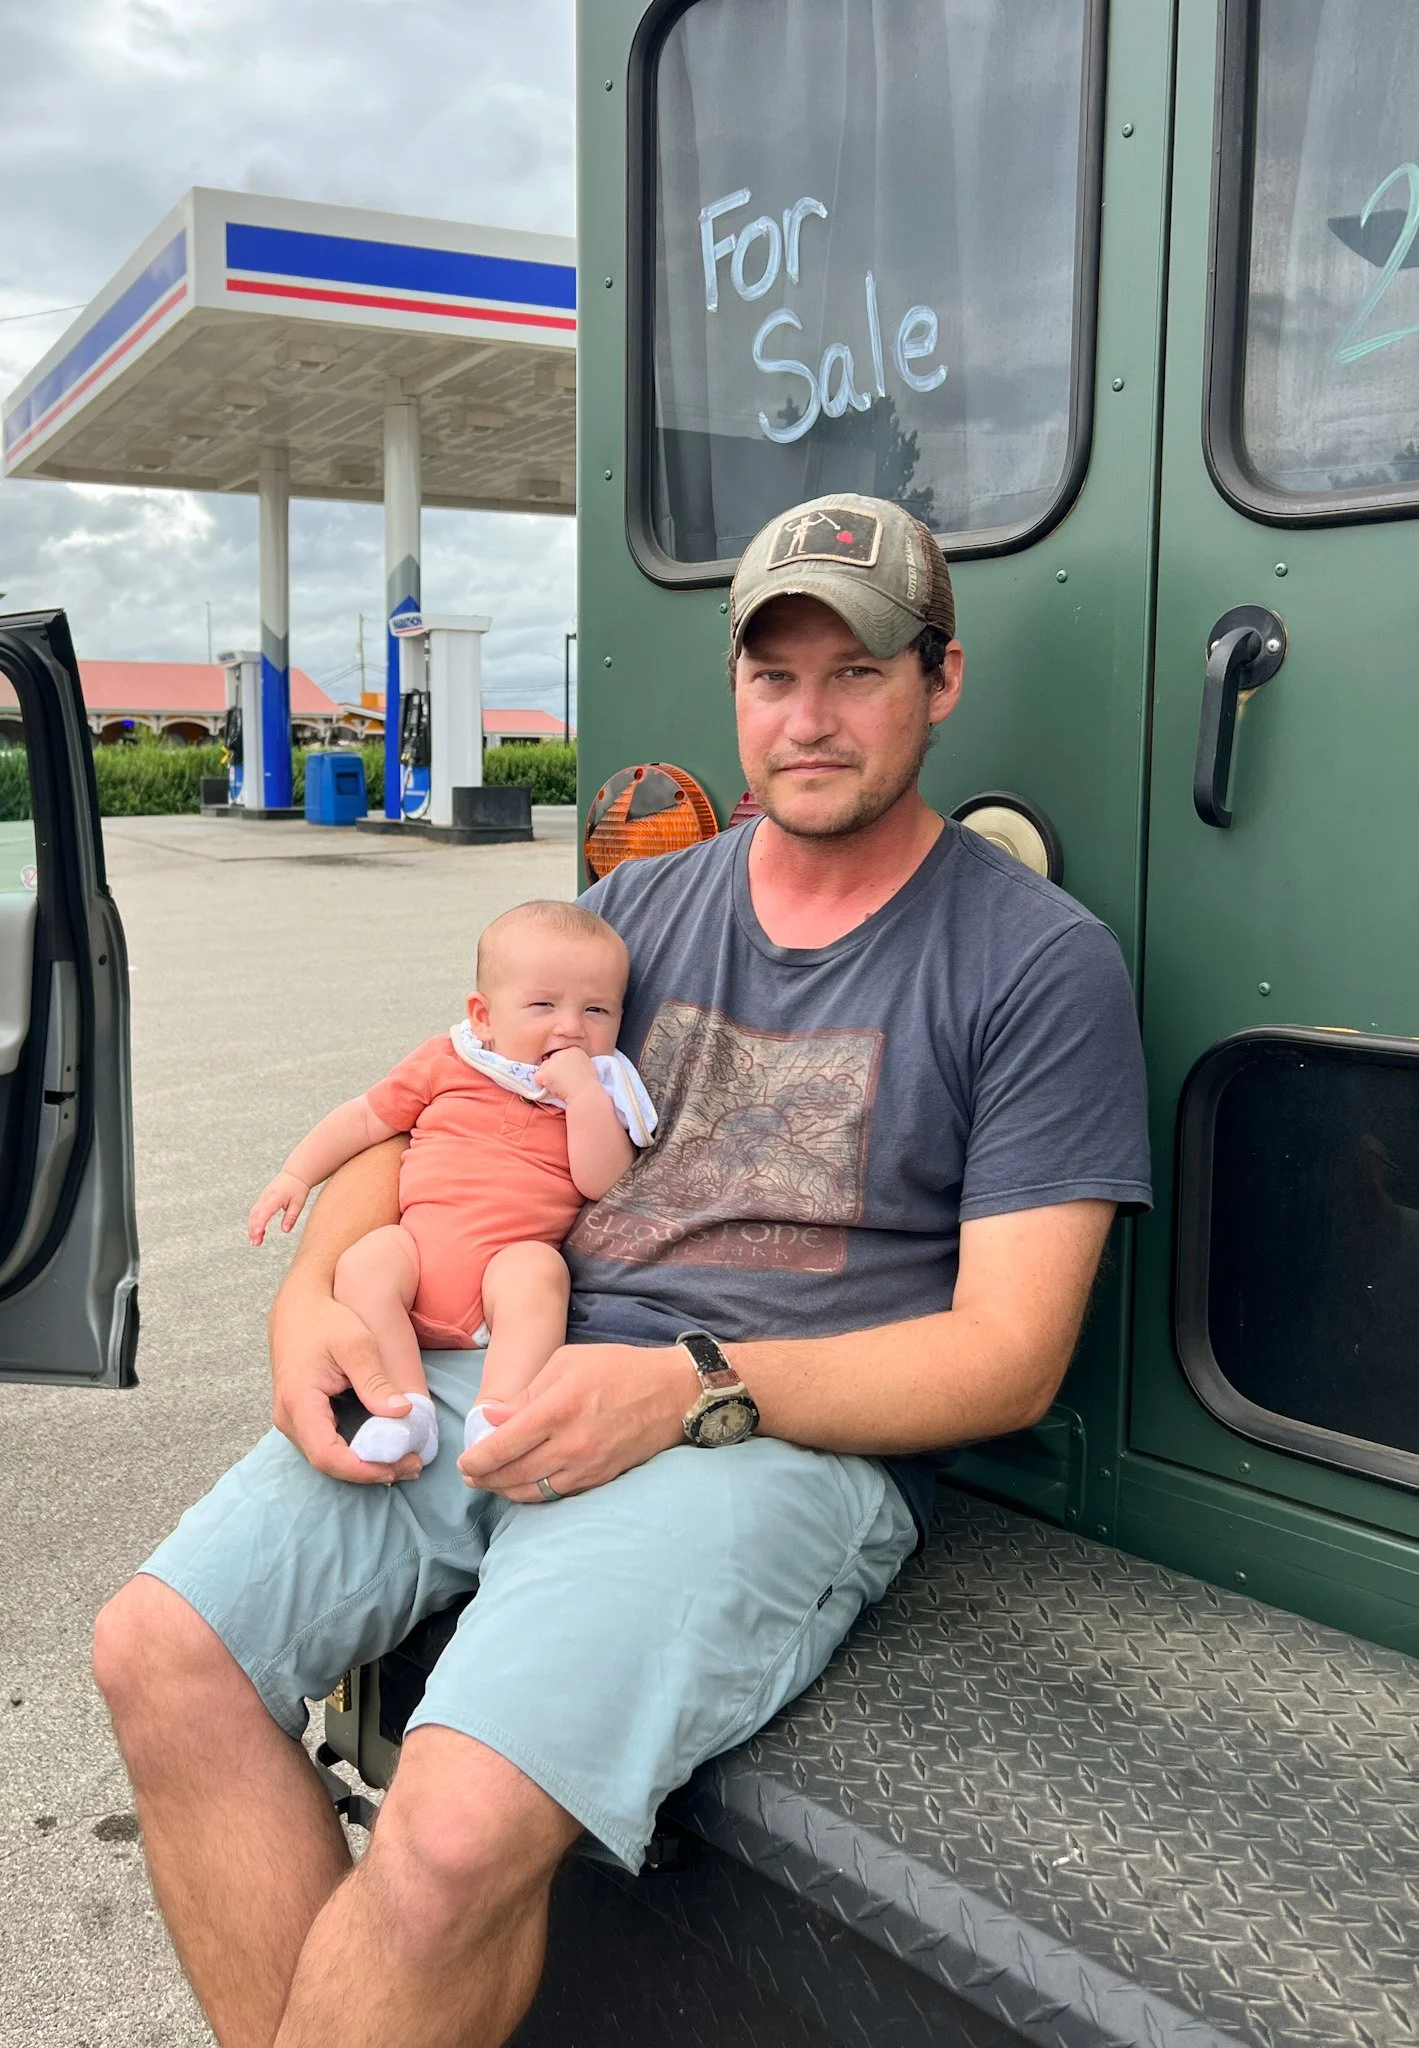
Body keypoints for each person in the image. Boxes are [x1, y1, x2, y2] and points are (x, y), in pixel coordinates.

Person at [92, 491, 1151, 2048]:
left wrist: (685, 1392)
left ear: (938, 681)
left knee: (445, 1838)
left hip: (767, 1431)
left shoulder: (1037, 965)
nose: (806, 718)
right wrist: (316, 1292)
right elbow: (431, 1104)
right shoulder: (633, 910)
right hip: (505, 1361)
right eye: (771, 676)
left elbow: (1006, 1354)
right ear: (732, 688)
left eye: (854, 673)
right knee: (159, 1652)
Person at [245, 900, 657, 1470]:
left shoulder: (599, 1089)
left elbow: (602, 1181)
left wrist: (584, 1097)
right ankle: (405, 1408)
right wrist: (297, 1173)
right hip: (416, 1267)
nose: (570, 1027)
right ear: (483, 1016)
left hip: (499, 1287)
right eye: (543, 1005)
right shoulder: (449, 1061)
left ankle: (499, 1409)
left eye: (597, 1010)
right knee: (366, 1260)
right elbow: (367, 1118)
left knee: (539, 1271)